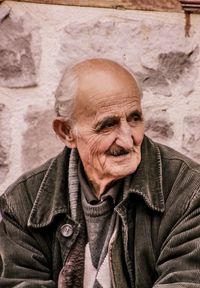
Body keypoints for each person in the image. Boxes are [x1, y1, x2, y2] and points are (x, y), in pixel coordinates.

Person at [0, 58, 200, 288]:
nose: (127, 140)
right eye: (108, 125)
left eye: (135, 118)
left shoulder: (189, 191)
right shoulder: (23, 202)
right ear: (66, 132)